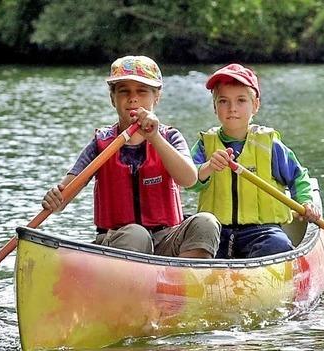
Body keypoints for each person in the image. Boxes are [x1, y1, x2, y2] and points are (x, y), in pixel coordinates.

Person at [42, 55, 220, 258]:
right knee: (137, 234)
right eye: (124, 91)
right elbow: (65, 195)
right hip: (118, 243)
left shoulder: (170, 137)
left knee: (206, 222)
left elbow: (189, 179)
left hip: (165, 239)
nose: (133, 98)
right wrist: (55, 198)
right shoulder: (100, 144)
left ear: (156, 97)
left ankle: (185, 281)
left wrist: (154, 138)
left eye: (142, 91)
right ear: (112, 98)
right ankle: (129, 284)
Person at [188, 63, 321, 259]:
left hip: (261, 231)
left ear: (255, 105)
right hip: (217, 231)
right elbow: (189, 181)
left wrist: (306, 201)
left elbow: (298, 176)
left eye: (241, 100)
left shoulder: (270, 145)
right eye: (223, 101)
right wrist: (207, 168)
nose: (232, 108)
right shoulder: (204, 145)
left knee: (278, 244)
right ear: (214, 107)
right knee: (194, 242)